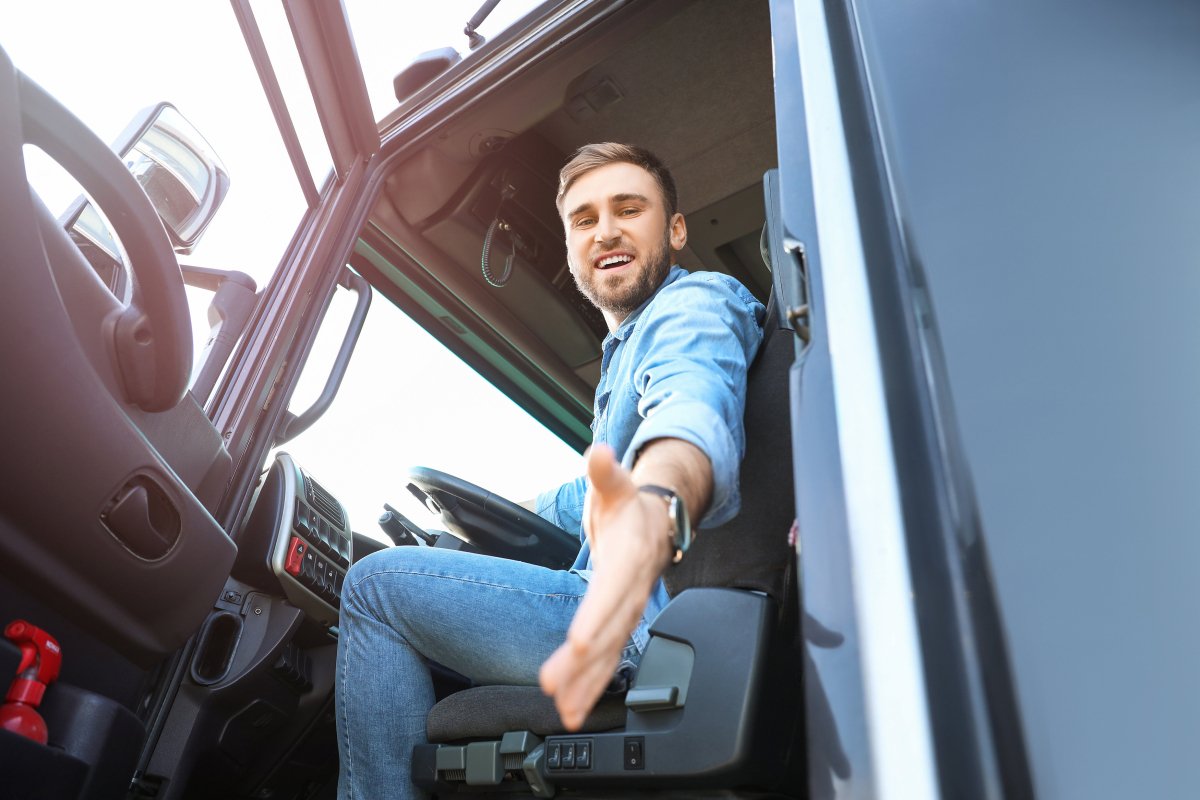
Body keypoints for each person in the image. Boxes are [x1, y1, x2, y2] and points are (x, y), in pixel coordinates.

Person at [335, 143, 764, 800]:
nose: (606, 231)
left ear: (676, 230)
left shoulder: (692, 306)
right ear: (570, 249)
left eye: (629, 209)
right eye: (584, 220)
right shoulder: (624, 356)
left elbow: (691, 406)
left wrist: (656, 501)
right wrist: (476, 510)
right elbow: (580, 494)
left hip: (633, 618)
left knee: (374, 588)